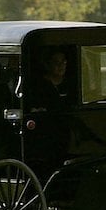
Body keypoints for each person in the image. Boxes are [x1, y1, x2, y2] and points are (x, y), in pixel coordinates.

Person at [21, 48, 72, 178]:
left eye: (63, 63)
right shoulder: (39, 86)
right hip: (45, 136)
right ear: (48, 64)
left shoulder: (70, 85)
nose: (61, 66)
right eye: (56, 62)